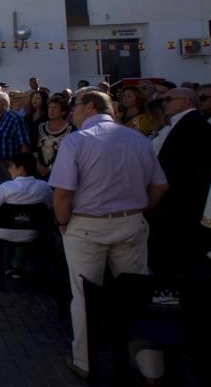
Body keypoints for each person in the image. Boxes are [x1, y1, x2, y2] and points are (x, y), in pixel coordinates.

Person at [49, 88, 168, 380]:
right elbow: (160, 186)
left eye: (75, 106)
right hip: (130, 223)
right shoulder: (138, 139)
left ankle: (85, 362)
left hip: (87, 225)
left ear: (89, 107)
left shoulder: (76, 141)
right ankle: (152, 367)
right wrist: (138, 209)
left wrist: (62, 223)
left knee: (84, 295)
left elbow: (63, 192)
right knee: (139, 294)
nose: (71, 112)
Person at [147, 87, 211, 276]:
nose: (164, 104)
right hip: (176, 202)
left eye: (168, 99)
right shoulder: (181, 124)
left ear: (185, 101)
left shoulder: (194, 125)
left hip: (182, 203)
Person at [0, 152, 53, 277]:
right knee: (27, 220)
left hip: (4, 232)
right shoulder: (44, 187)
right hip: (32, 232)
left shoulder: (6, 188)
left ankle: (2, 254)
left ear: (21, 169)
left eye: (12, 167)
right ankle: (17, 261)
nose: (8, 170)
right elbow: (51, 207)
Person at [0, 91, 30, 197]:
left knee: (8, 196)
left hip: (7, 165)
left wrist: (18, 166)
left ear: (5, 104)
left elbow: (25, 145)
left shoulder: (15, 119)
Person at [37, 94, 74, 179]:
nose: (51, 111)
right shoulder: (40, 127)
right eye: (49, 108)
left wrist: (51, 168)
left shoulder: (71, 130)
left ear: (63, 111)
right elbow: (34, 150)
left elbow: (70, 154)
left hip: (62, 174)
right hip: (39, 173)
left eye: (55, 108)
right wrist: (38, 165)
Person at [24, 89, 49, 159]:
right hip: (29, 147)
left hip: (42, 148)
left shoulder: (47, 116)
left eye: (38, 98)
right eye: (33, 98)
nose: (34, 100)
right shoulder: (28, 116)